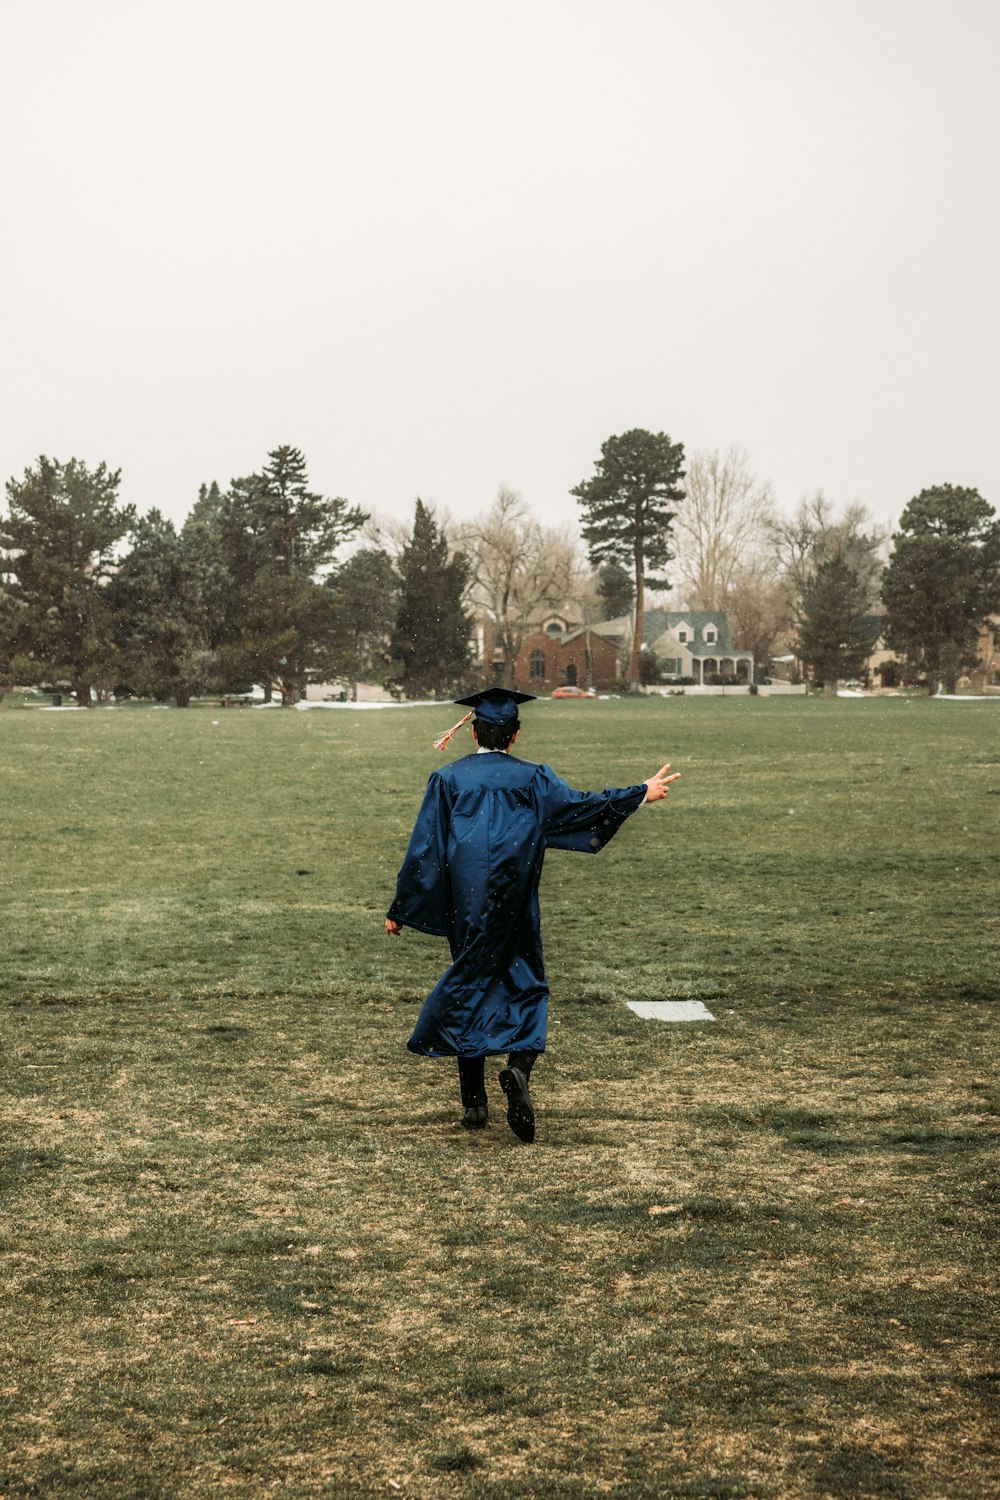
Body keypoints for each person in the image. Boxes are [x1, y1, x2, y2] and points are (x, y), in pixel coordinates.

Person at [384, 688, 680, 1143]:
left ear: (474, 733)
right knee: (526, 984)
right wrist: (639, 793)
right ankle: (519, 1067)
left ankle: (474, 1102)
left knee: (471, 982)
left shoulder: (448, 780)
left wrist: (402, 907)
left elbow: (425, 846)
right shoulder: (532, 779)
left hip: (468, 904)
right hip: (515, 901)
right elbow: (580, 808)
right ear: (515, 735)